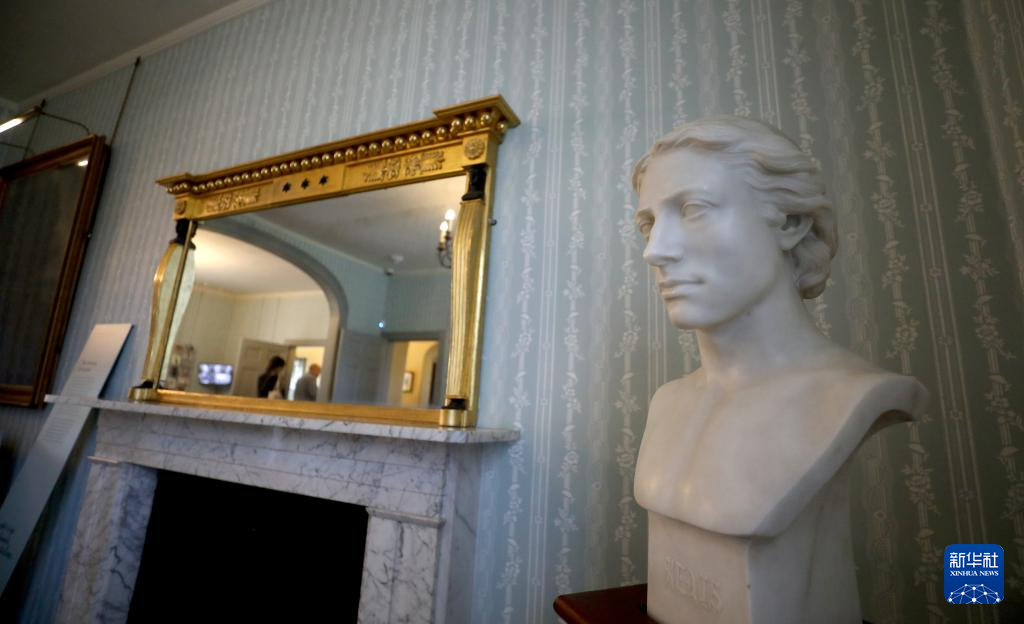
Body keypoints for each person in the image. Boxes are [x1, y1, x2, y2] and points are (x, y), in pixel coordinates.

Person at [631, 116, 927, 623]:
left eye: (693, 209)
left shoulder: (851, 396)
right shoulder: (667, 402)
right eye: (648, 223)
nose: (654, 250)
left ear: (790, 223)